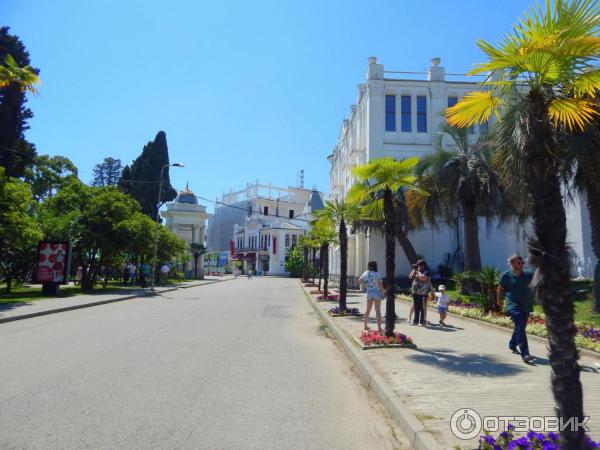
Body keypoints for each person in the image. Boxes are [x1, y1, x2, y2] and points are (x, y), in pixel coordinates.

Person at [497, 253, 535, 364]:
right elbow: (500, 289)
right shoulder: (506, 276)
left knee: (521, 327)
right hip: (512, 305)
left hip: (525, 305)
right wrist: (499, 301)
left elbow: (537, 282)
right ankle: (525, 354)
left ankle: (512, 344)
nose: (521, 264)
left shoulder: (528, 274)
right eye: (519, 262)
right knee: (520, 325)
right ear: (512, 263)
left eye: (522, 262)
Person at [358, 261, 384, 333]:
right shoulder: (378, 274)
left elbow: (359, 280)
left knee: (368, 310)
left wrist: (365, 286)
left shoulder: (366, 273)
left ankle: (365, 326)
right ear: (375, 266)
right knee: (378, 310)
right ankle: (379, 328)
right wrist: (383, 292)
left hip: (369, 292)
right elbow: (381, 284)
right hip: (377, 292)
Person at [410, 260, 434, 326]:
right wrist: (414, 270)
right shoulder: (417, 271)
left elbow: (422, 278)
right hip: (415, 292)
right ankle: (415, 321)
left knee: (422, 308)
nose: (418, 267)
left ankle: (422, 322)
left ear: (422, 266)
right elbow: (410, 276)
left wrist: (418, 271)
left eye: (419, 266)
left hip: (423, 293)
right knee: (416, 307)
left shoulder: (426, 272)